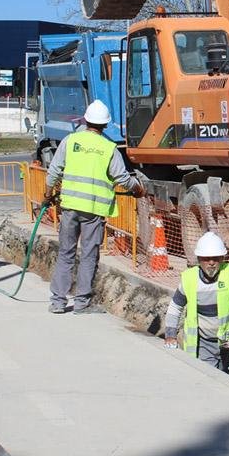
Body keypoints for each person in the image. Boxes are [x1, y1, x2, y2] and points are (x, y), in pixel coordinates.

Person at [44, 100, 145, 314]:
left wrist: (47, 194)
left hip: (70, 207)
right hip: (93, 212)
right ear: (105, 125)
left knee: (66, 253)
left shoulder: (70, 141)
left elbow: (53, 171)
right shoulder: (109, 148)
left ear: (86, 120)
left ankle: (58, 302)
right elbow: (122, 178)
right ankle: (81, 303)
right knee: (89, 255)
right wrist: (138, 189)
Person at [164, 231, 229, 372]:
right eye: (207, 258)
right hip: (203, 345)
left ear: (222, 258)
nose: (211, 263)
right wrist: (170, 335)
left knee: (227, 382)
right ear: (199, 259)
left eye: (215, 258)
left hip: (228, 345)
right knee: (209, 378)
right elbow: (175, 308)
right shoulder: (189, 279)